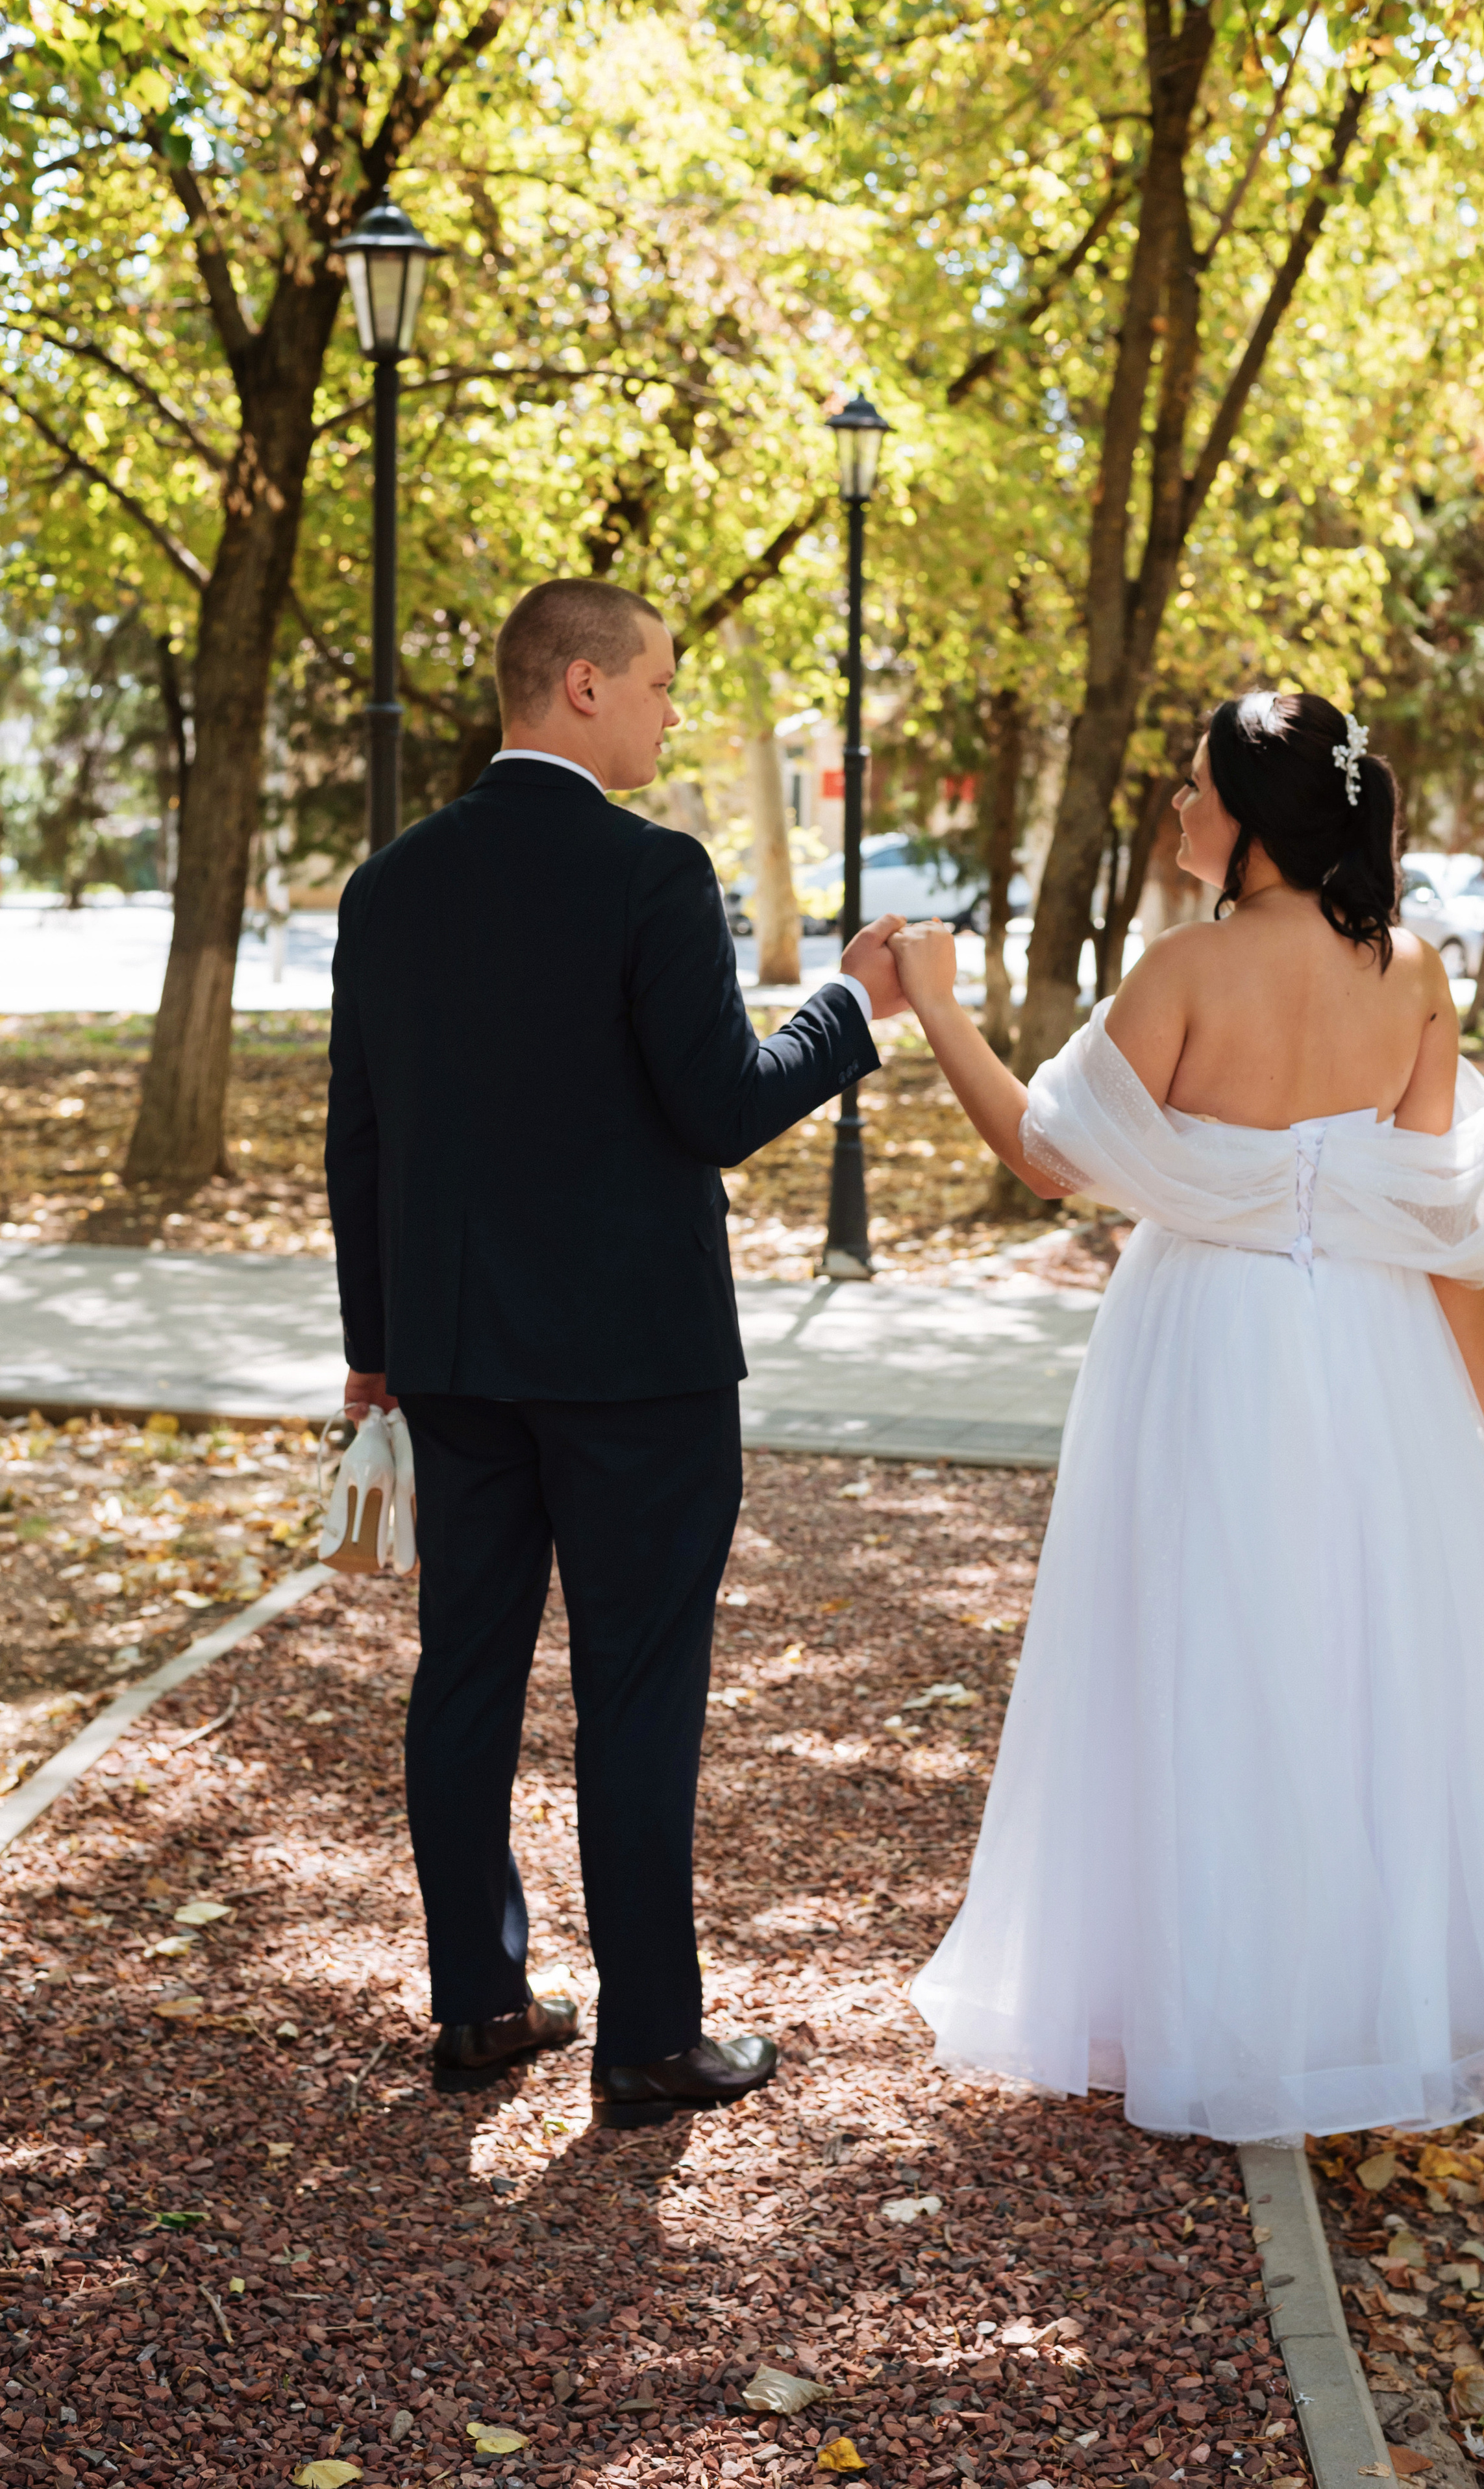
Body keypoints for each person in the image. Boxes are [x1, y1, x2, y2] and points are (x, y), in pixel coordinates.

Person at [891, 691, 1484, 2140]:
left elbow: (1046, 1158)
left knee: (1190, 1643)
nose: (1178, 810)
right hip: (1372, 1348)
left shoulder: (1186, 968)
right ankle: (1348, 2008)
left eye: (1195, 791)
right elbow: (1440, 1223)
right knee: (1356, 1652)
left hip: (1204, 1338)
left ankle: (1192, 2001)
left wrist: (934, 1003)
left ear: (1253, 819)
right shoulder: (1409, 971)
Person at [325, 576, 908, 2116]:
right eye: (656, 681)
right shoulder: (652, 871)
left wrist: (373, 1349)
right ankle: (648, 2038)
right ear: (580, 685)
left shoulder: (388, 886)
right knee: (637, 1691)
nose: (669, 708)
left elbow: (357, 1140)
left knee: (464, 1675)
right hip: (638, 1368)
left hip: (453, 1358)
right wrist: (850, 1005)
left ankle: (477, 2005)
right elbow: (720, 1107)